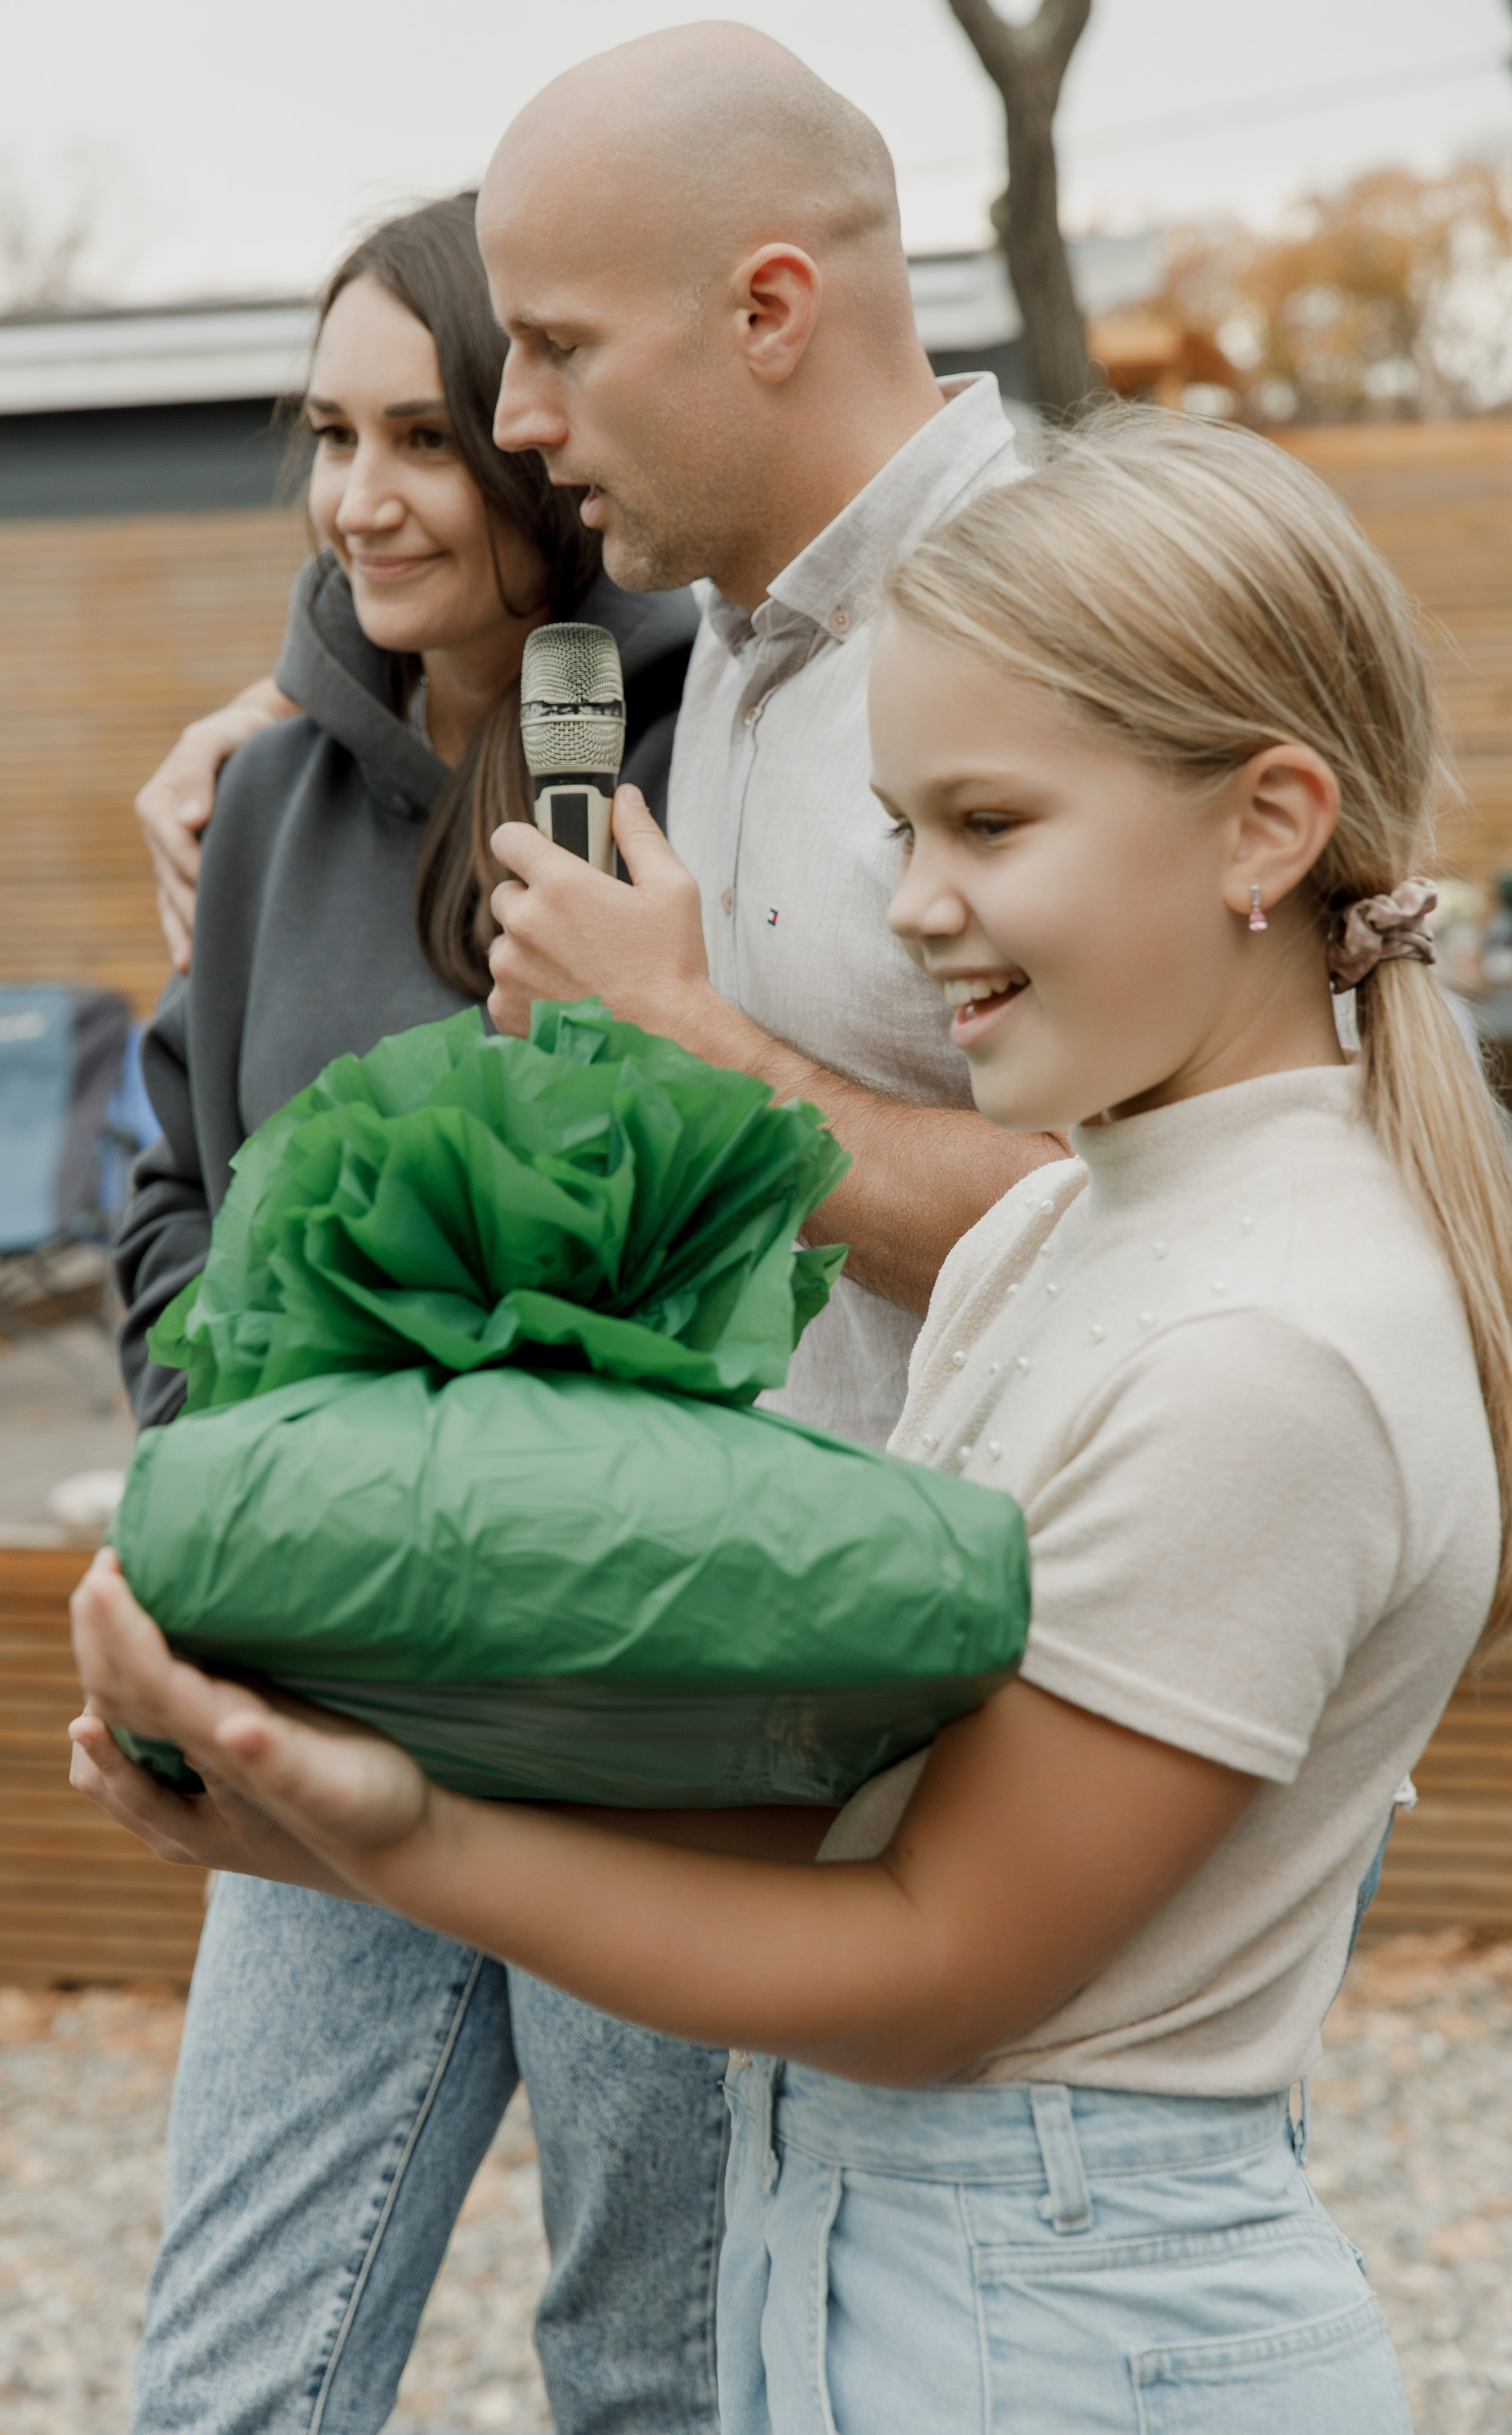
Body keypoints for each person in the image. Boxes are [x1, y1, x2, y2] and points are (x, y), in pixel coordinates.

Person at [75, 407, 1511, 2432]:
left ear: (1267, 828)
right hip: (932, 2304)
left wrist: (410, 1842)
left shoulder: (1270, 1347)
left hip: (1071, 2353)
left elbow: (930, 1966)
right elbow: (868, 1815)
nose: (916, 908)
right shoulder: (1079, 1231)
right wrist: (315, 1799)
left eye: (988, 827)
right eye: (902, 830)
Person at [94, 192, 715, 2435]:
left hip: (644, 1708)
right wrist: (250, 1437)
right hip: (335, 1670)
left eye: (425, 439)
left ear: (541, 447)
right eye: (333, 436)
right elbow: (175, 1190)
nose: (361, 497)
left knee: (653, 2370)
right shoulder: (265, 796)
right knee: (232, 2379)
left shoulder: (715, 752)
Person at [132, 22, 1065, 1455]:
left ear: (767, 313)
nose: (515, 417)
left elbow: (1149, 1223)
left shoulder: (1057, 629)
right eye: (335, 434)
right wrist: (286, 708)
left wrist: (682, 1043)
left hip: (1011, 1574)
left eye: (559, 347)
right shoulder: (742, 636)